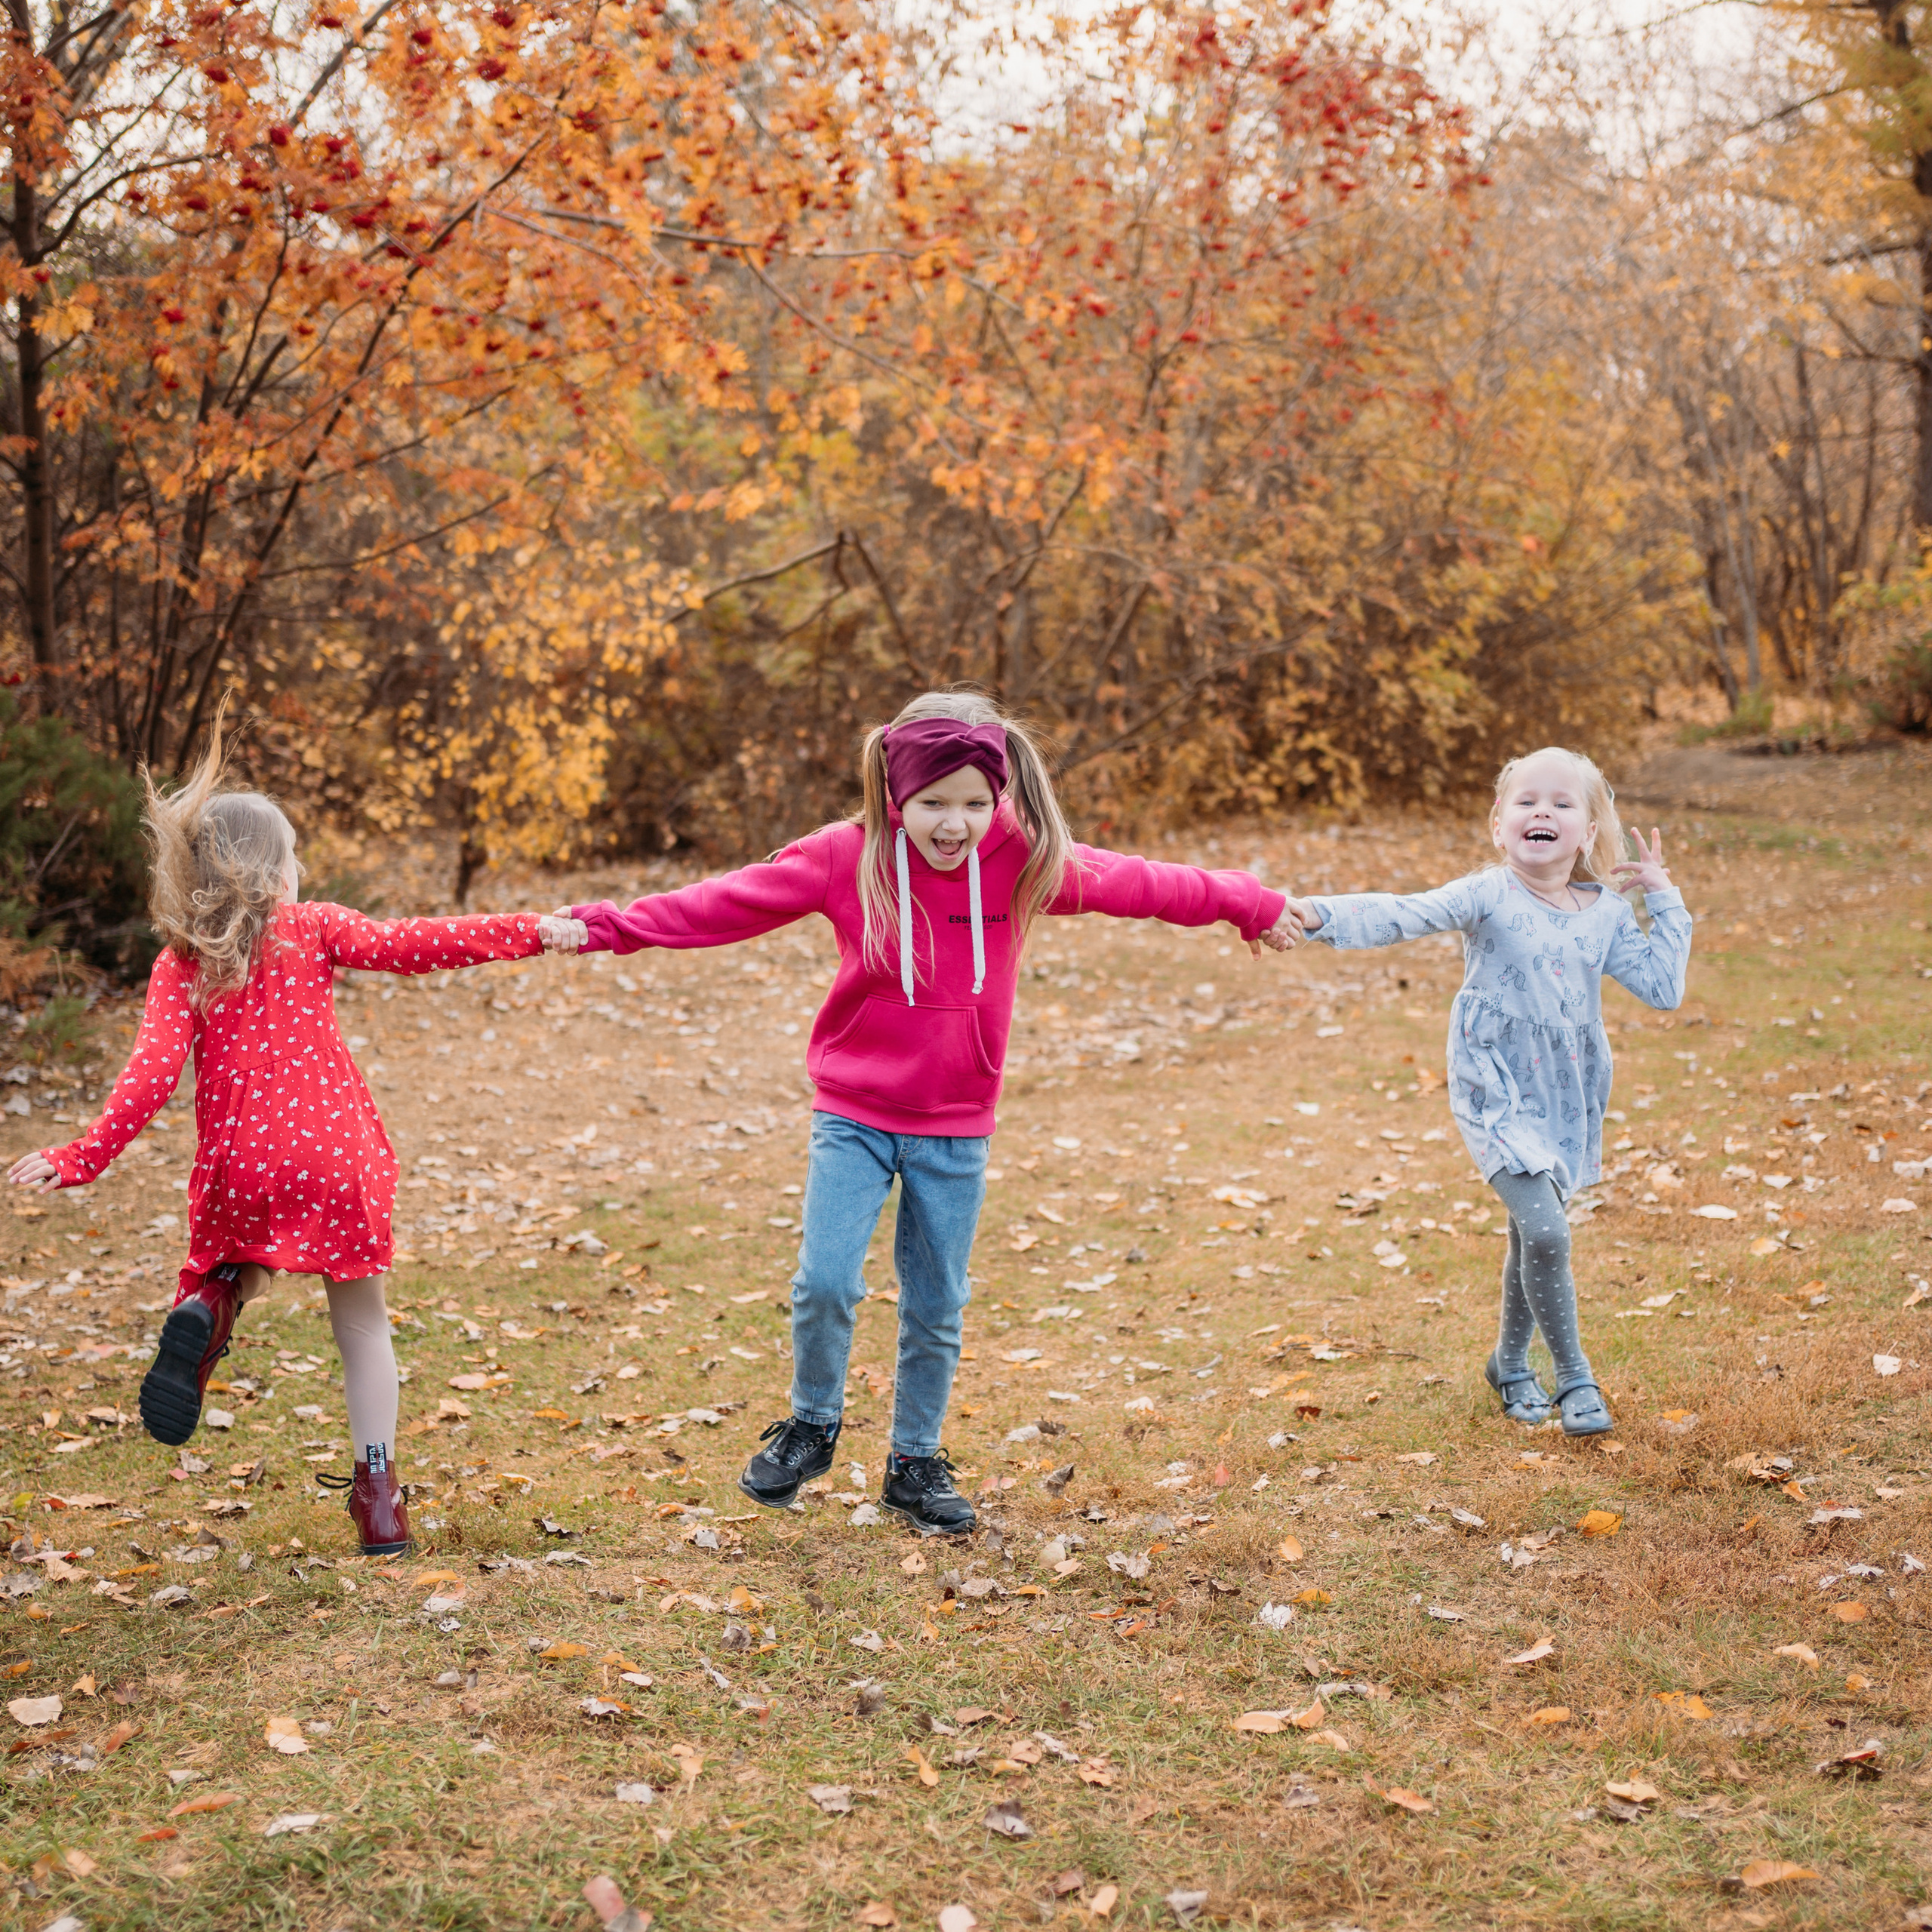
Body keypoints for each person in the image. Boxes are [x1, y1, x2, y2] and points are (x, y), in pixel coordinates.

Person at [564, 690, 1300, 1535]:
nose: (955, 825)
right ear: (894, 798)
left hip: (955, 1125)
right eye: (933, 805)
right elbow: (715, 904)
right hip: (855, 1115)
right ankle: (811, 1424)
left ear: (1002, 800)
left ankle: (915, 1462)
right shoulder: (845, 858)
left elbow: (1144, 883)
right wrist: (601, 927)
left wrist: (1250, 902)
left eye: (975, 805)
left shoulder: (1023, 858)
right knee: (826, 1281)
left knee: (936, 1302)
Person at [6, 709, 582, 1555]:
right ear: (274, 876)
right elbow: (415, 942)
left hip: (243, 1165)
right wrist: (529, 930)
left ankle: (210, 1300)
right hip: (336, 1157)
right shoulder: (313, 928)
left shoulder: (181, 964)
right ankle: (378, 1494)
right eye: (294, 856)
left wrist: (77, 1158)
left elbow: (150, 1078)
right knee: (363, 1325)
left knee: (226, 1257)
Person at [1284, 746, 1691, 1438]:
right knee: (1546, 1231)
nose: (1544, 811)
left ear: (1588, 832)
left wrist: (1663, 897)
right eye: (1527, 801)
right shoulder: (1487, 894)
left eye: (1563, 804)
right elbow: (1403, 913)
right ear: (1499, 824)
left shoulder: (1605, 915)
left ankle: (1508, 1363)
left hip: (1567, 1089)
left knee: (1530, 1236)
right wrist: (1315, 913)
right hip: (1493, 1083)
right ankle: (1575, 1379)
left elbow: (1664, 988)